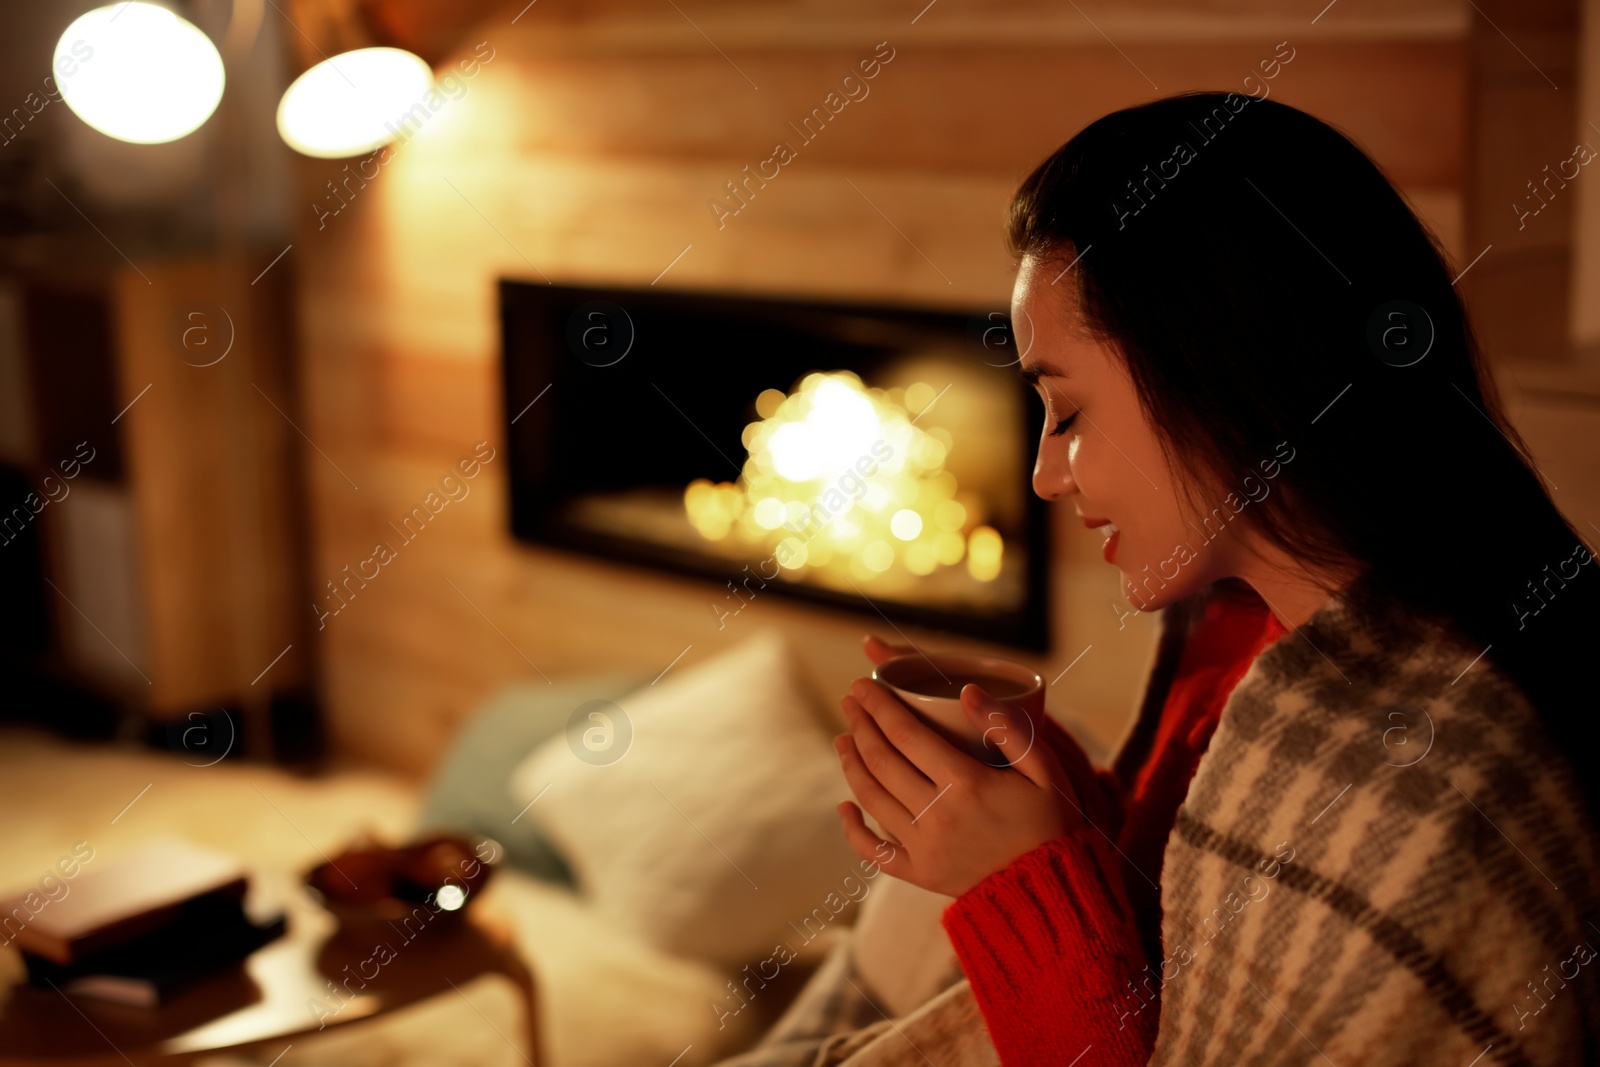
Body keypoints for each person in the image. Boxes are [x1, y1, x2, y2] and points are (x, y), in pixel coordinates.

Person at [831, 91, 1600, 1066]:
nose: (1043, 472)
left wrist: (1022, 888)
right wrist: (1070, 810)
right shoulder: (1242, 631)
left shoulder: (1424, 797)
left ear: (1220, 372)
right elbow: (1193, 945)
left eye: (1065, 413)